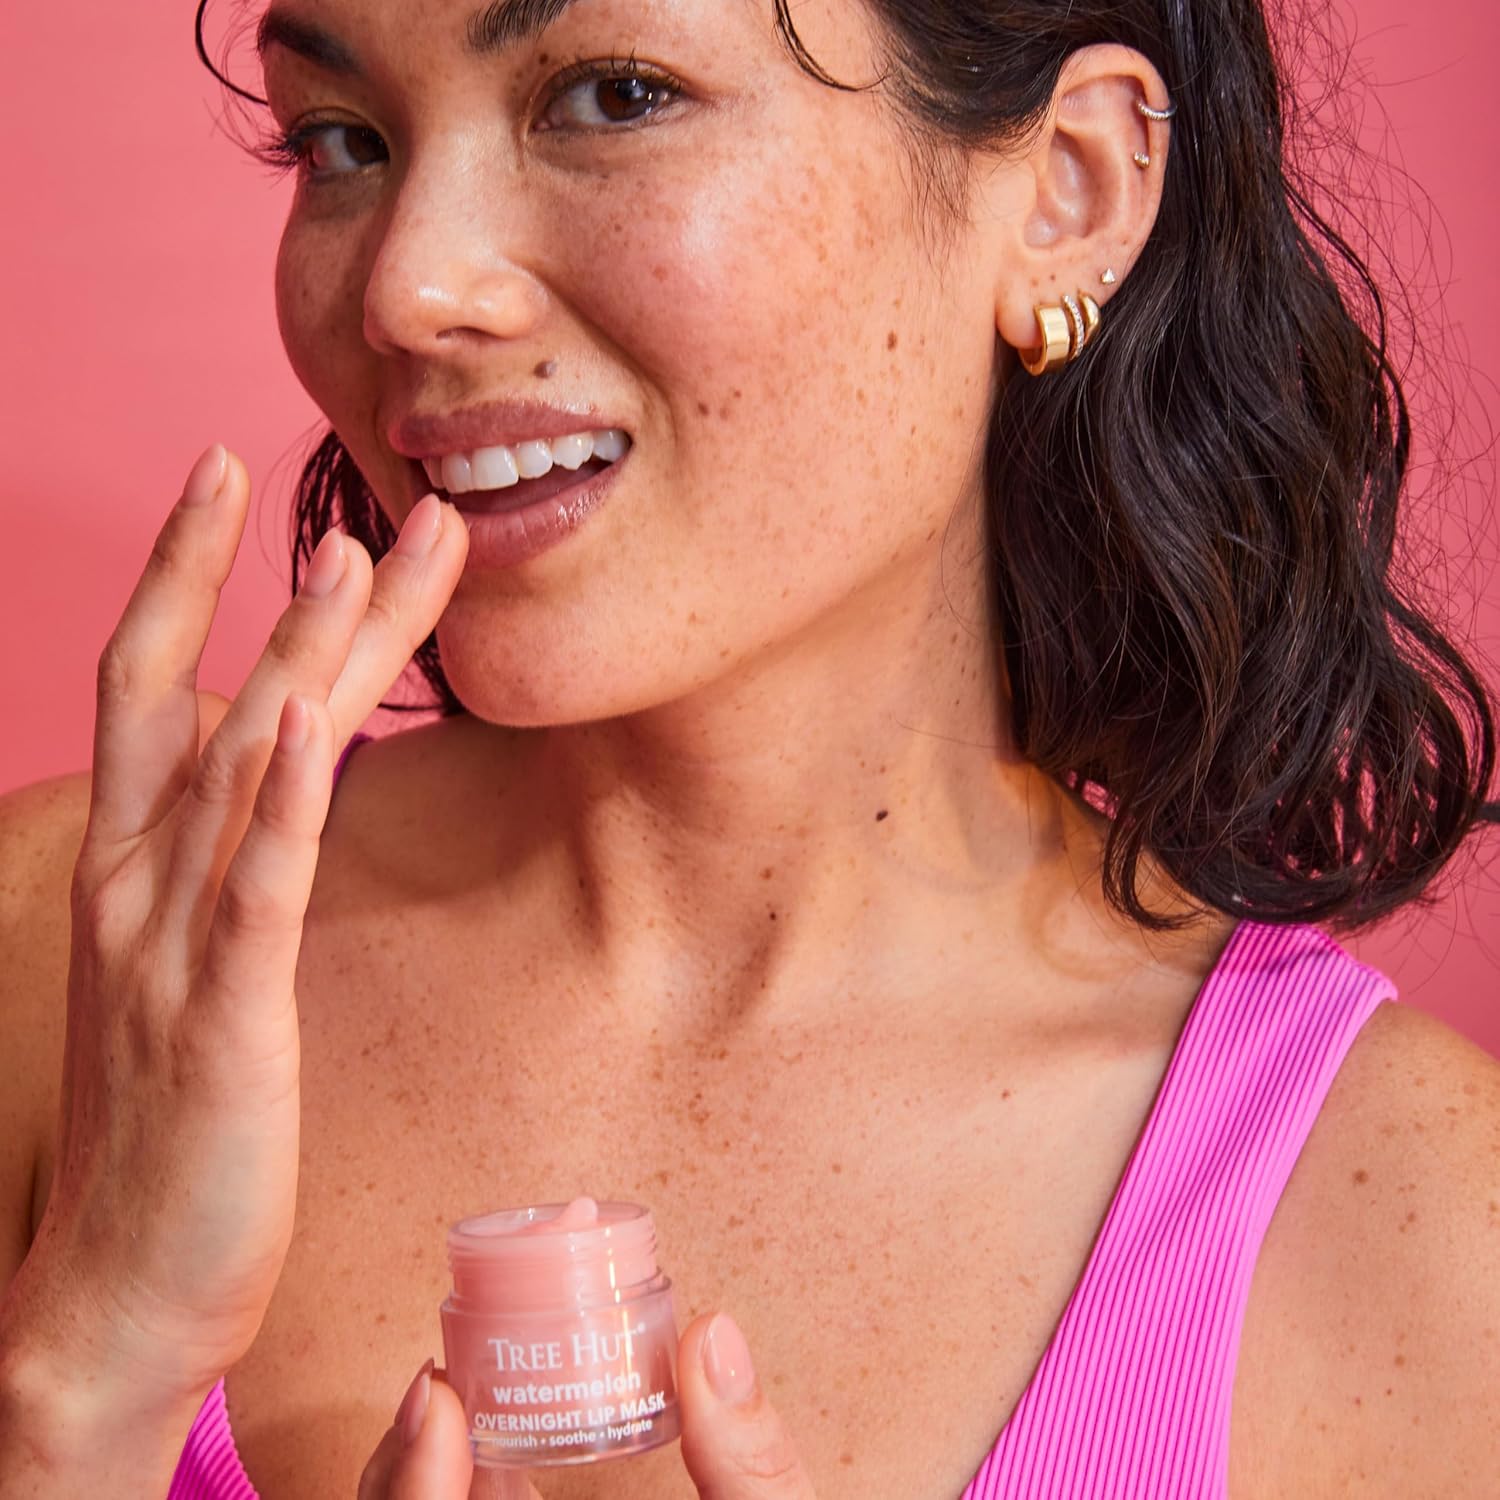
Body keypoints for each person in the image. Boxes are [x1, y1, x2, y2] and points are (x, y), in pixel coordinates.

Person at [1, 0, 1497, 1495]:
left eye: (615, 96)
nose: (409, 285)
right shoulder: (72, 961)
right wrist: (85, 1387)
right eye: (342, 140)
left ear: (1069, 190)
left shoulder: (1421, 1239)